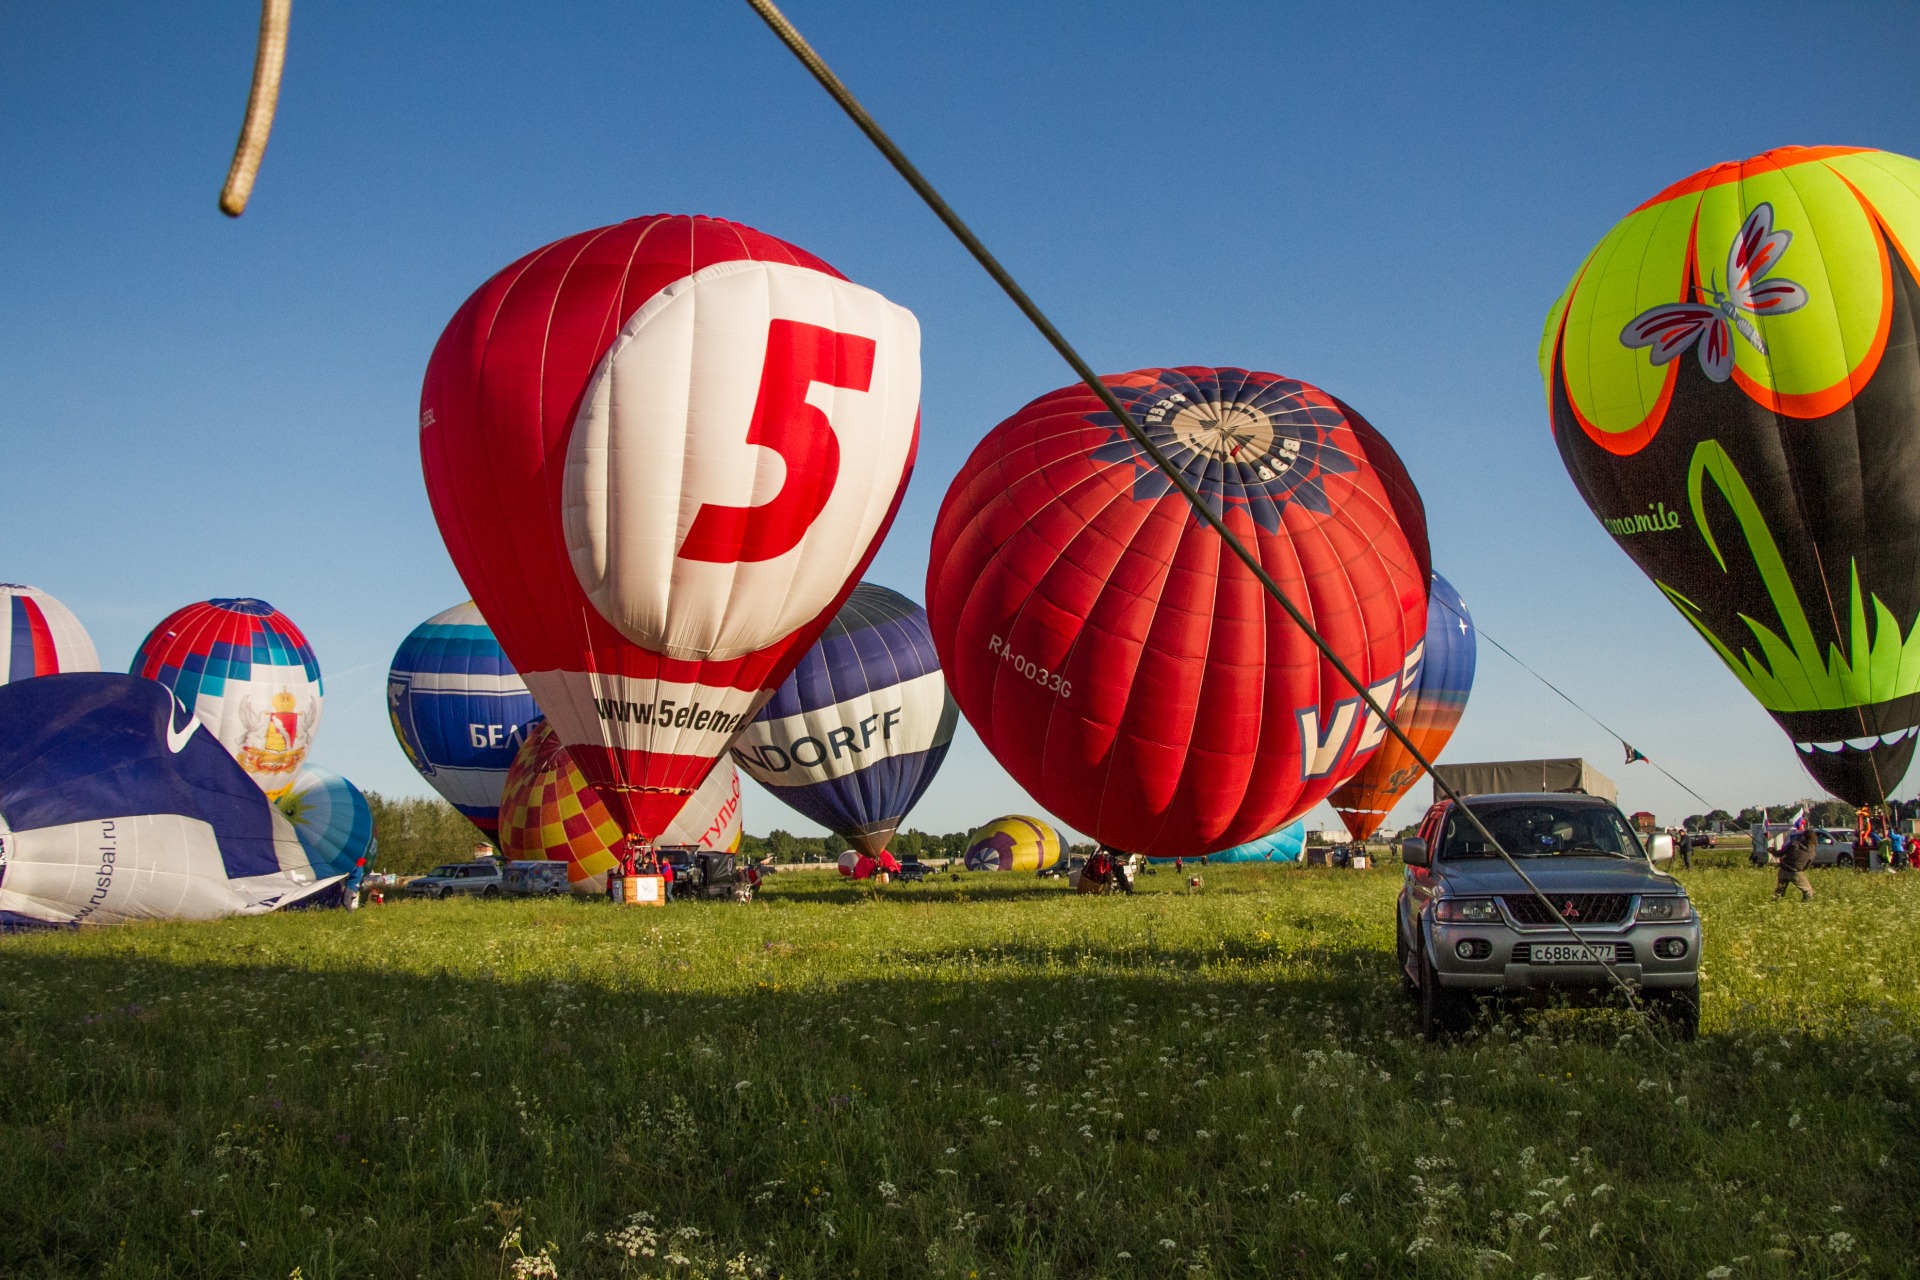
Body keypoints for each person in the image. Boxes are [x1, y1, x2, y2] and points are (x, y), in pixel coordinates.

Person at [1774, 827, 1815, 901]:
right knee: (1808, 891)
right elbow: (1807, 866)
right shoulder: (1812, 851)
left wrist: (1772, 850)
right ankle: (1805, 907)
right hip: (1795, 872)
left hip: (1783, 870)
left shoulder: (1794, 844)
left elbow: (1779, 854)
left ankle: (1774, 905)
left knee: (1779, 892)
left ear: (1803, 836)